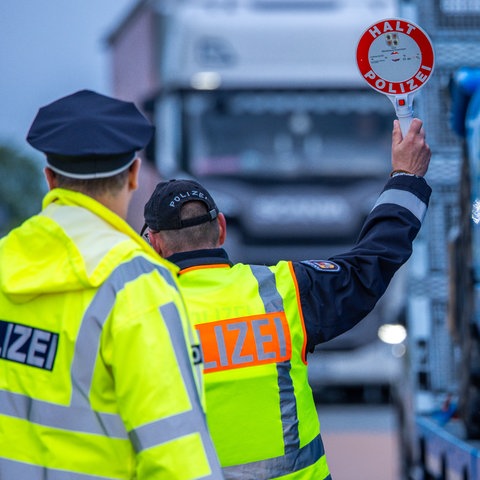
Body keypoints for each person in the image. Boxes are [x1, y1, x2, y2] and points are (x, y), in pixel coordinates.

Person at [141, 117, 432, 479]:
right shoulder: (282, 289)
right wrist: (406, 177)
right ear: (221, 229)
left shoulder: (138, 314)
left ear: (154, 244)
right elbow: (370, 264)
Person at [0, 90, 224, 480]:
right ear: (135, 174)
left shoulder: (6, 260)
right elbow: (175, 453)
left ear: (50, 178)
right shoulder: (134, 284)